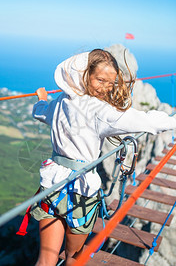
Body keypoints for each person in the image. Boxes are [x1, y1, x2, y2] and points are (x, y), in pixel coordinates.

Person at [30, 45, 176, 266]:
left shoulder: (60, 102)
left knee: (46, 259)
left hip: (51, 187)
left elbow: (40, 112)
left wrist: (42, 100)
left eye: (111, 83)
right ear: (85, 75)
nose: (106, 89)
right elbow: (147, 122)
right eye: (100, 80)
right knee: (73, 259)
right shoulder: (100, 111)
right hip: (80, 194)